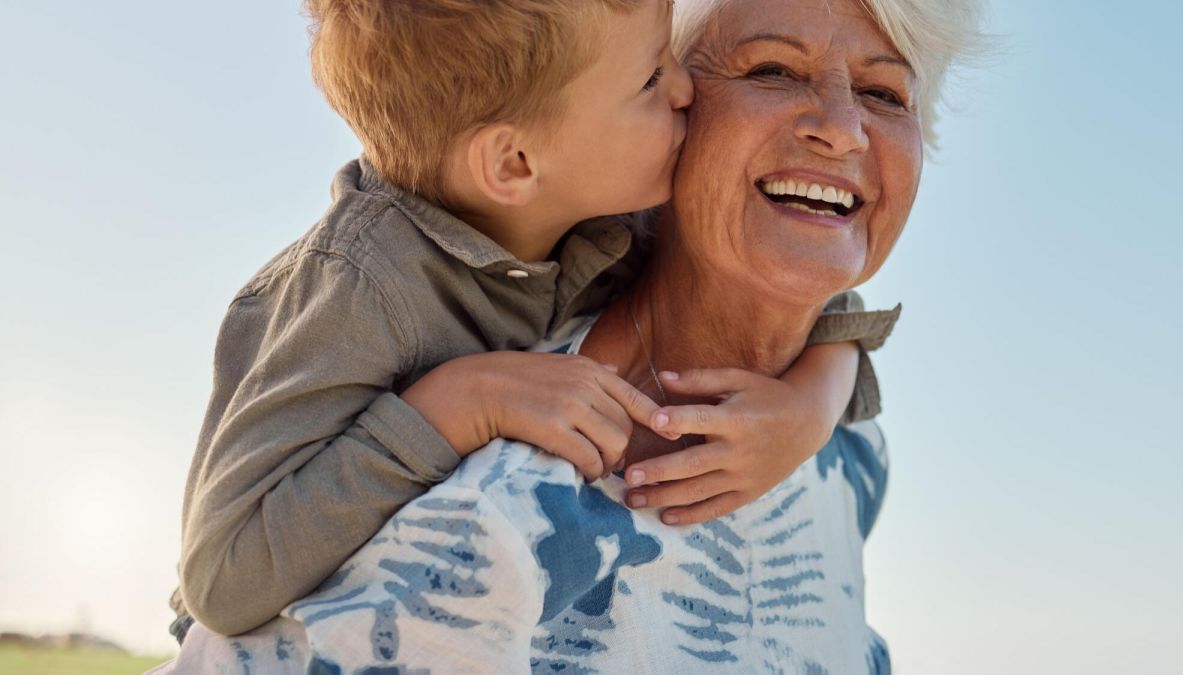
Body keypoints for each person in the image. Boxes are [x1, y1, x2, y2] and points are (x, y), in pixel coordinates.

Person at [158, 0, 983, 670]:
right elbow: (224, 582)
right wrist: (457, 402)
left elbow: (806, 269)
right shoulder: (367, 296)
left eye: (885, 93)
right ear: (515, 163)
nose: (842, 129)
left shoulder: (591, 218)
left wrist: (812, 401)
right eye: (770, 70)